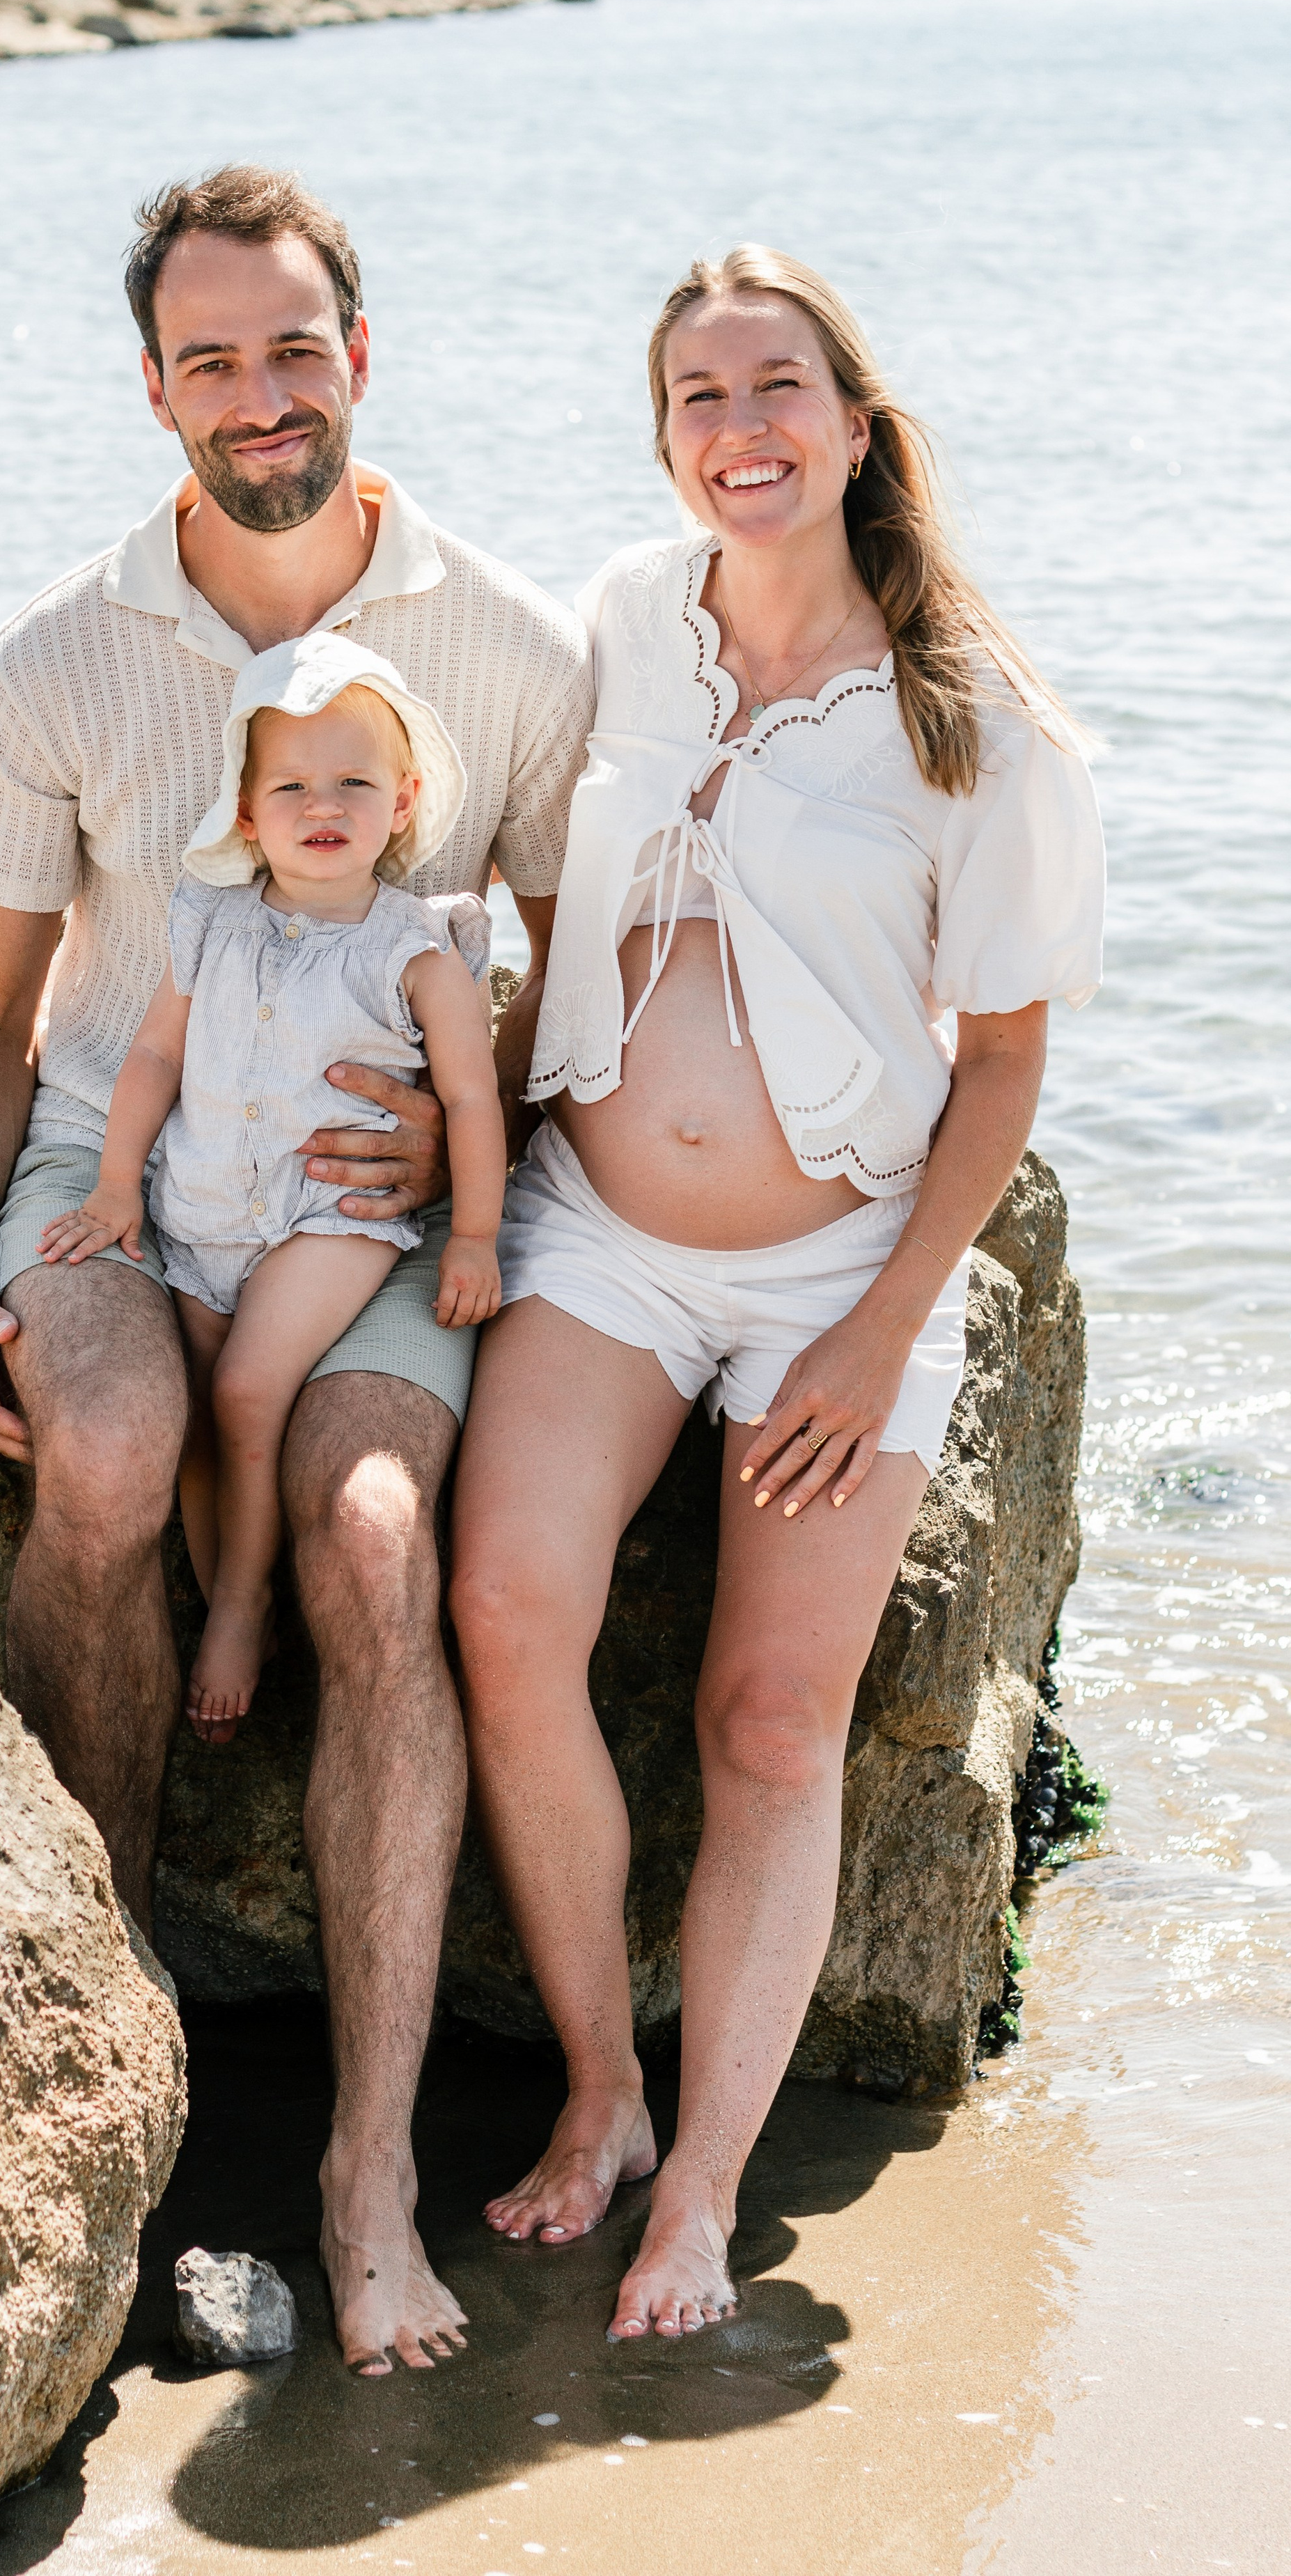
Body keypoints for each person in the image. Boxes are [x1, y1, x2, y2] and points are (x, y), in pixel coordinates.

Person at [0, 165, 593, 2378]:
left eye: (295, 345)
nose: (258, 390)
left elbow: (578, 995)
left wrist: (472, 1149)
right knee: (99, 1443)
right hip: (122, 1190)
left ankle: (366, 2175)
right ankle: (72, 2061)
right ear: (153, 389)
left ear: (360, 358)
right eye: (210, 355)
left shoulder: (507, 646)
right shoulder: (56, 658)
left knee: (378, 1548)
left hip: (362, 1219)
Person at [448, 245, 1104, 2343]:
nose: (740, 427)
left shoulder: (974, 722)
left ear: (853, 418)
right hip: (602, 1241)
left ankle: (704, 2188)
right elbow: (503, 853)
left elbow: (1000, 1061)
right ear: (665, 438)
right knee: (503, 1613)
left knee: (768, 1715)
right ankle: (610, 2092)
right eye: (697, 395)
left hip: (837, 1267)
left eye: (779, 385)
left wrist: (883, 1323)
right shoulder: (631, 621)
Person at [35, 638, 503, 1743]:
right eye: (291, 786)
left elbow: (475, 1104)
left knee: (250, 1390)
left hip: (329, 1216)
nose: (323, 805)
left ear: (404, 802)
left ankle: (242, 1611)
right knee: (196, 1404)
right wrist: (114, 1188)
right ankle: (224, 1586)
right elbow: (150, 1060)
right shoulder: (211, 922)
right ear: (247, 815)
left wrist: (476, 1233)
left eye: (354, 783)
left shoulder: (419, 954)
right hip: (199, 1203)